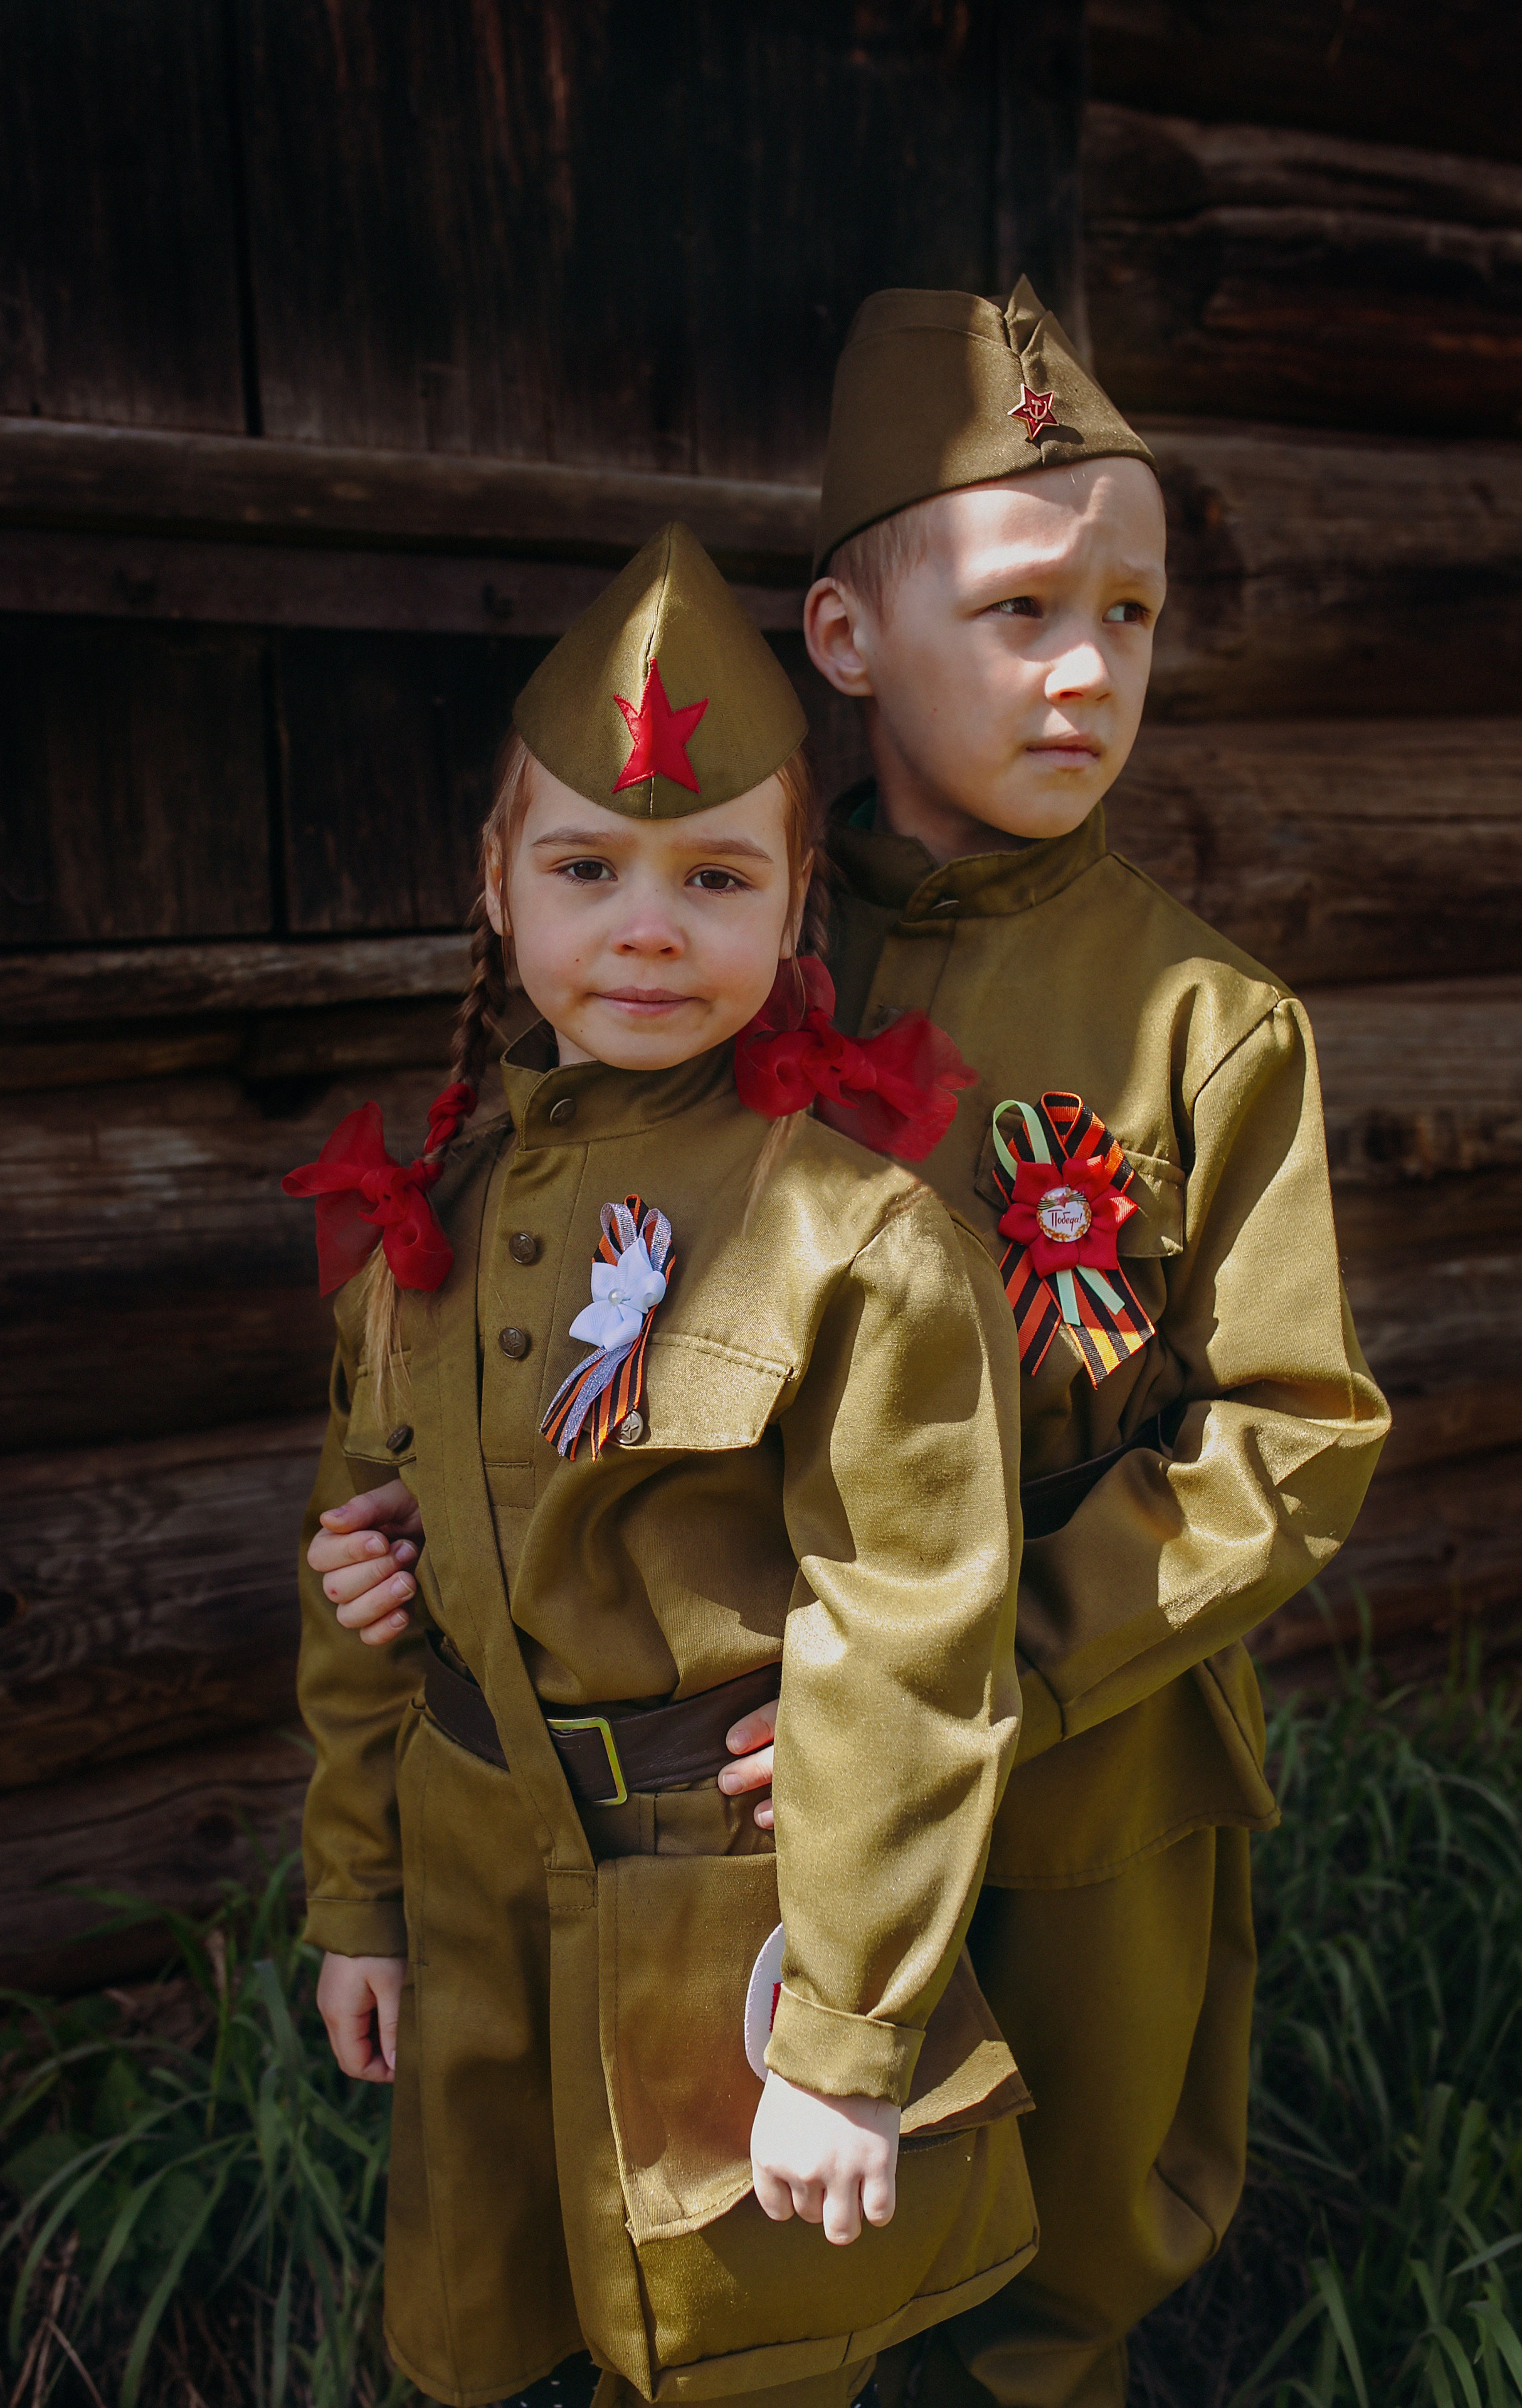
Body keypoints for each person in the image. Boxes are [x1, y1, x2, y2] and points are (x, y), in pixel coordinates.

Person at [324, 284, 1391, 2408]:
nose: (1086, 669)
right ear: (843, 638)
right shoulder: (722, 920)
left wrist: (989, 1662)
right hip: (726, 1809)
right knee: (747, 2267)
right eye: (1020, 610)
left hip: (1084, 1755)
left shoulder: (1204, 1023)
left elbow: (1293, 1429)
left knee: (1049, 2265)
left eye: (1134, 615)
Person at [287, 520, 1038, 2408]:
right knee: (493, 2339)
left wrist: (848, 2036)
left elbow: (917, 1644)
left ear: (794, 909)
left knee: (738, 2364)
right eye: (584, 867)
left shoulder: (860, 1241)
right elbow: (360, 1587)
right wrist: (361, 1898)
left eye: (714, 875)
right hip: (472, 1890)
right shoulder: (425, 1225)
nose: (646, 926)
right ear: (496, 886)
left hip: (730, 1922)